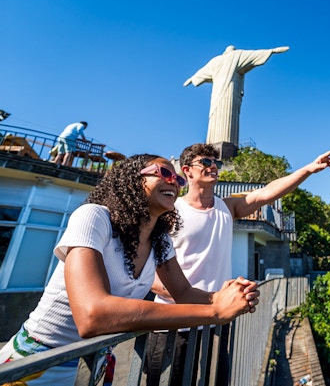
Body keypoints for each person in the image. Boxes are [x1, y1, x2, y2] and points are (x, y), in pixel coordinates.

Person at [0, 154, 259, 385]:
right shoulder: (94, 217)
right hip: (35, 364)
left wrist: (225, 296)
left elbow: (184, 293)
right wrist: (214, 311)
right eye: (164, 173)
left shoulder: (161, 240)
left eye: (178, 180)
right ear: (134, 180)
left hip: (92, 364)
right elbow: (92, 316)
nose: (174, 182)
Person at [145, 144, 330, 385]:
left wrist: (309, 169)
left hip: (215, 322)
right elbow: (149, 276)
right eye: (205, 162)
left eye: (216, 163)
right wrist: (198, 297)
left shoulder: (227, 208)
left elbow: (267, 192)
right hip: (173, 325)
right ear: (187, 170)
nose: (213, 166)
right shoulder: (171, 212)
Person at [184, 45, 289, 146]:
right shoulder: (237, 55)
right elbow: (253, 54)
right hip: (228, 92)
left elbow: (201, 72)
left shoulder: (216, 60)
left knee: (222, 115)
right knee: (221, 115)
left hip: (222, 93)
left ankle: (218, 144)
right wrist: (272, 51)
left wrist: (192, 78)